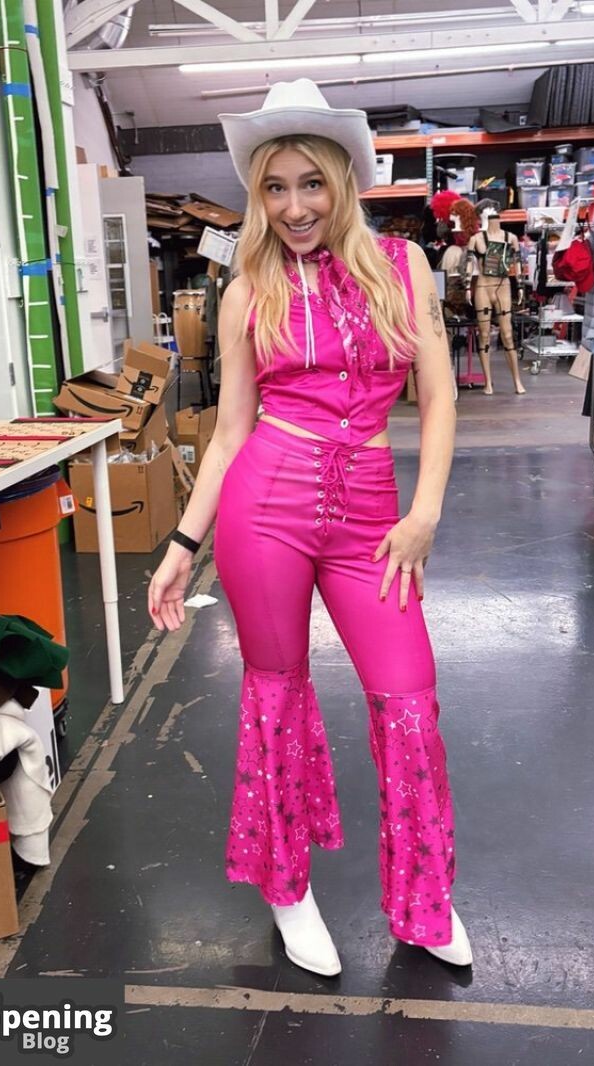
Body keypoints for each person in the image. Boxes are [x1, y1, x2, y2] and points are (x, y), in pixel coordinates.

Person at [147, 79, 472, 976]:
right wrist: (181, 546)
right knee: (276, 696)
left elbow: (439, 396)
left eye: (311, 184)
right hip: (266, 508)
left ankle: (424, 899)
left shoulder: (403, 266)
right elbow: (229, 434)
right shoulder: (246, 289)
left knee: (409, 702)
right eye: (276, 188)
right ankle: (286, 888)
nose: (294, 207)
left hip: (373, 514)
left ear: (344, 182)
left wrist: (423, 515)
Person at [465, 199, 525, 395]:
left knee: (507, 334)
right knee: (484, 335)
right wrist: (467, 286)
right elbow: (469, 263)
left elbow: (517, 263)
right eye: (484, 212)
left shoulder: (511, 238)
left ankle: (517, 380)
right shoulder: (476, 239)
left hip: (503, 287)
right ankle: (488, 382)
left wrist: (520, 286)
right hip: (483, 286)